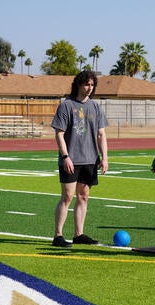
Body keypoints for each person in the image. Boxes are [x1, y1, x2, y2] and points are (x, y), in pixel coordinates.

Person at [51, 71, 108, 247]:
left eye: (91, 85)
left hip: (90, 160)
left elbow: (101, 134)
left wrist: (104, 157)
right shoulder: (66, 106)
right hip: (71, 160)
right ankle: (58, 236)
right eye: (86, 84)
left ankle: (79, 234)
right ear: (78, 85)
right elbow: (59, 134)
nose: (89, 88)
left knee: (83, 196)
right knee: (67, 196)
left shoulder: (96, 107)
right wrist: (65, 156)